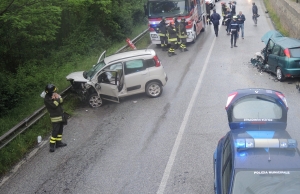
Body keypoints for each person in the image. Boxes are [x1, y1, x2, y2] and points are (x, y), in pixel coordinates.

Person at [44, 84, 67, 152]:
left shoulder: (54, 95)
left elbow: (61, 100)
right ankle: (52, 145)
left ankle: (58, 143)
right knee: (55, 131)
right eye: (54, 91)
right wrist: (57, 99)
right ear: (50, 92)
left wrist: (57, 99)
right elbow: (54, 105)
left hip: (61, 115)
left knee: (60, 130)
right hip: (55, 117)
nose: (55, 91)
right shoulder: (47, 99)